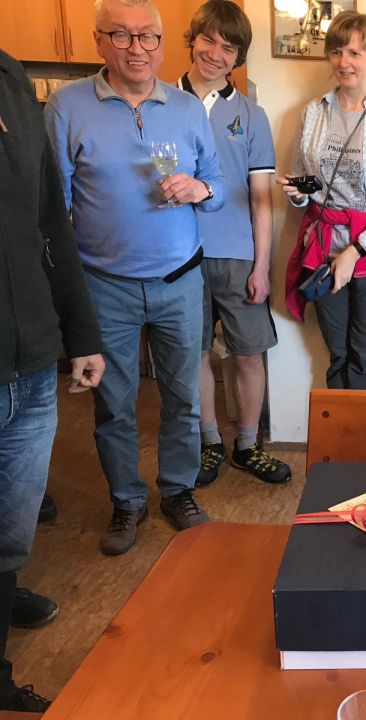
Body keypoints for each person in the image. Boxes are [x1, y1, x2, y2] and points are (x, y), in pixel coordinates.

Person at [45, 0, 225, 556]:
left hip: (180, 281)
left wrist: (201, 189)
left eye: (148, 36)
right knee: (113, 405)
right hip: (104, 285)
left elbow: (217, 184)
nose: (137, 48)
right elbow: (53, 206)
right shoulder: (67, 106)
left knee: (182, 398)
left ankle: (178, 491)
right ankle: (126, 500)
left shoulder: (188, 108)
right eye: (121, 35)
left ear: (163, 43)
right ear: (99, 41)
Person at [0, 49, 105, 711]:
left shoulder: (12, 80)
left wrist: (81, 335)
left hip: (34, 361)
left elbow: (49, 226)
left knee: (12, 531)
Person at [179, 0, 291, 487]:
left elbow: (262, 196)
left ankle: (247, 445)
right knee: (195, 353)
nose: (216, 54)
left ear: (238, 56)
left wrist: (262, 265)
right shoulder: (163, 103)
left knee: (248, 353)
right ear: (192, 41)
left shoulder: (251, 114)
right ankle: (208, 442)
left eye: (228, 47)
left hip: (238, 255)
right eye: (208, 40)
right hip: (178, 257)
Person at [281, 11, 366, 390]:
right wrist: (298, 194)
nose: (344, 62)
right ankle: (340, 429)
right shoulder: (313, 114)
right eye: (337, 51)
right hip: (324, 244)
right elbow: (306, 183)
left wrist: (356, 251)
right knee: (338, 351)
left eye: (355, 53)